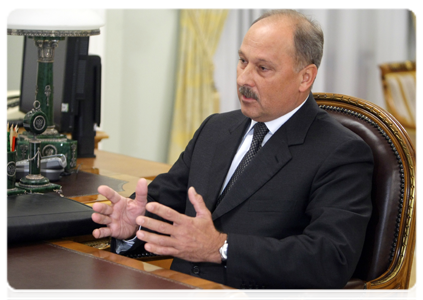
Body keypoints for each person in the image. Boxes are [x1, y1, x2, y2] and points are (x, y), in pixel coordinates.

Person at [92, 9, 373, 300]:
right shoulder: (215, 128)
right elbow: (166, 204)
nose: (244, 79)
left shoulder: (340, 152)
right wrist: (133, 227)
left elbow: (331, 258)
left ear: (305, 78)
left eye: (263, 68)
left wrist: (221, 247)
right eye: (242, 61)